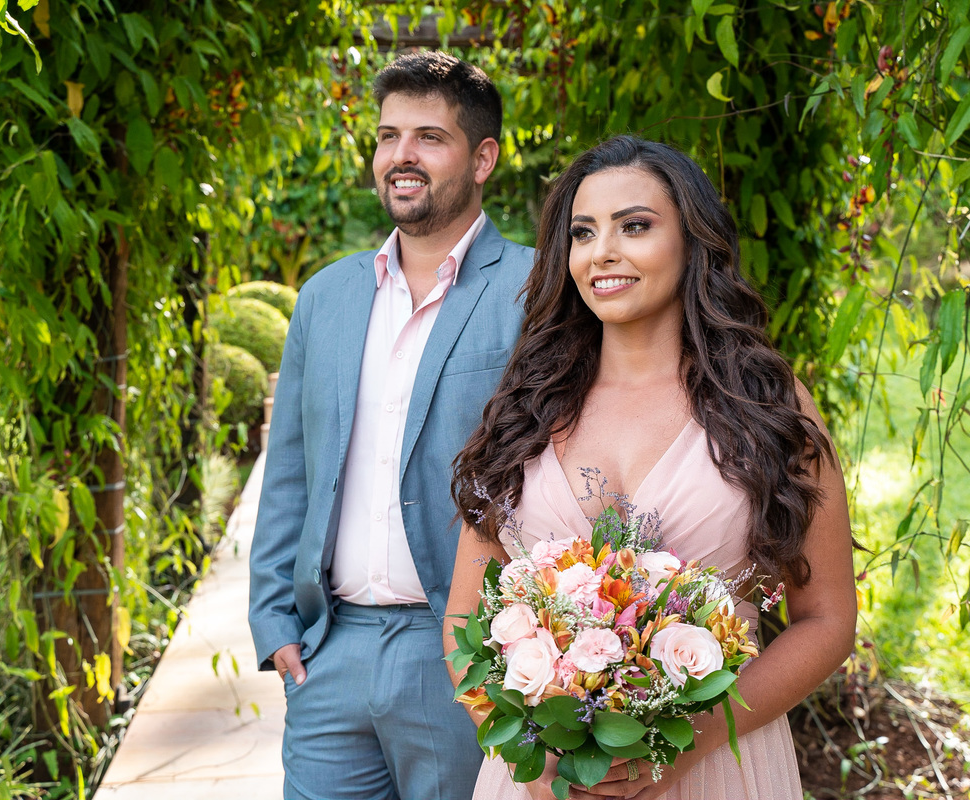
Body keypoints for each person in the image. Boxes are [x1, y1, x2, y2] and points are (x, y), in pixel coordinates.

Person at [444, 136, 857, 800]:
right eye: (583, 233)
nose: (603, 250)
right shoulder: (523, 410)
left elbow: (827, 619)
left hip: (719, 766)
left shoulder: (767, 407)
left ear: (693, 242)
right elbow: (465, 620)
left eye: (634, 226)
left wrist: (688, 745)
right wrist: (530, 748)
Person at [248, 51, 533, 800]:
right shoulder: (326, 296)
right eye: (387, 135)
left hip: (463, 652)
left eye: (428, 137)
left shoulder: (536, 291)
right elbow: (290, 472)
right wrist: (275, 619)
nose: (400, 155)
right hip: (329, 652)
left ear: (483, 158)